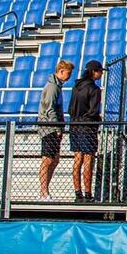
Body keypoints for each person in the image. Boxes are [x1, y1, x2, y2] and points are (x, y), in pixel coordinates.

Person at [36, 60, 74, 201]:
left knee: (55, 159)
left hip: (53, 127)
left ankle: (45, 191)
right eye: (68, 73)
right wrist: (57, 127)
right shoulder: (52, 87)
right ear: (61, 71)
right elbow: (49, 108)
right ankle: (43, 192)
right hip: (49, 127)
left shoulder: (57, 86)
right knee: (47, 159)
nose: (69, 76)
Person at [69, 60, 103, 203]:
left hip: (75, 125)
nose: (101, 73)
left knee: (77, 159)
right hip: (87, 127)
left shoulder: (76, 87)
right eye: (100, 71)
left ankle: (78, 192)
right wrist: (98, 120)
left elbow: (70, 108)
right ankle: (88, 193)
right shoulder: (94, 90)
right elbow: (93, 111)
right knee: (88, 160)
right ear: (94, 72)